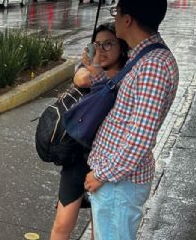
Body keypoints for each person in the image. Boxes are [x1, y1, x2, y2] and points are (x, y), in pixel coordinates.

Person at [84, 0, 179, 240]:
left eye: (116, 12)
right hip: (116, 181)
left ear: (128, 20)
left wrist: (101, 174)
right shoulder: (141, 56)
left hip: (119, 184)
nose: (114, 19)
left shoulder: (153, 66)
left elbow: (140, 138)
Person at [50, 23, 129, 240]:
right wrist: (93, 65)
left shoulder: (128, 76)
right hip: (78, 156)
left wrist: (98, 72)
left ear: (121, 46)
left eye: (108, 44)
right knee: (62, 223)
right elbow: (81, 78)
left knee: (99, 228)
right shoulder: (91, 70)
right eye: (97, 45)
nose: (102, 50)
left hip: (106, 161)